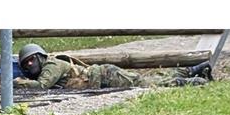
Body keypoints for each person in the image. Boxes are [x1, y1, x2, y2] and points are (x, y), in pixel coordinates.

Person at [13, 43, 212, 91]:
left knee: (150, 84)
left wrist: (17, 83)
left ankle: (193, 79)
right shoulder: (50, 65)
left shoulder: (52, 65)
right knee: (150, 80)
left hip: (106, 76)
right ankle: (191, 70)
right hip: (104, 77)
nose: (30, 65)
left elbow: (41, 86)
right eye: (26, 64)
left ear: (40, 56)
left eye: (31, 60)